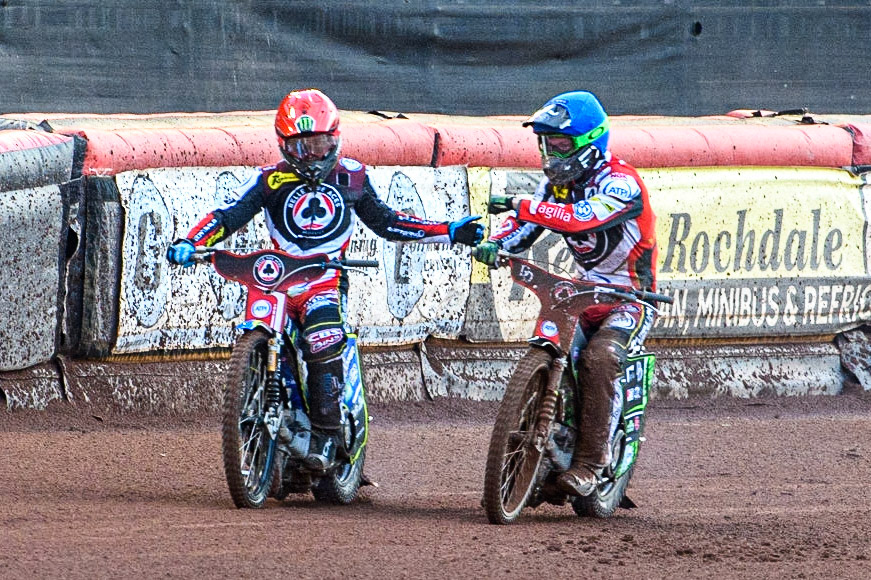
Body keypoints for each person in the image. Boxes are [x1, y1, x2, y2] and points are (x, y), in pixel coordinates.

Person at [167, 88, 483, 469]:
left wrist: (449, 230)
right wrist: (191, 242)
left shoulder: (353, 177)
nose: (312, 155)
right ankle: (266, 415)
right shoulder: (269, 180)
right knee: (257, 326)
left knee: (321, 339)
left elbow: (389, 222)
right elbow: (228, 215)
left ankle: (327, 435)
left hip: (325, 281)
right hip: (277, 281)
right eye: (301, 147)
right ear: (284, 145)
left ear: (335, 139)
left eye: (319, 144)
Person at [473, 90, 657, 497]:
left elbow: (578, 221)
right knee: (554, 346)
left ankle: (592, 462)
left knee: (600, 358)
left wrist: (520, 204)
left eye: (559, 144)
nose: (551, 154)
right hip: (581, 293)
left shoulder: (621, 183)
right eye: (546, 144)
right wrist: (495, 243)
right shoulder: (555, 187)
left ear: (590, 142)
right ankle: (538, 449)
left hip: (630, 298)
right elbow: (524, 230)